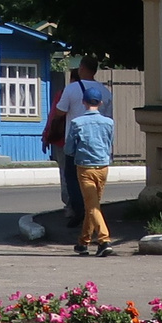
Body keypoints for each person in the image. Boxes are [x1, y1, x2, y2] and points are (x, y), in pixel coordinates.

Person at [42, 60, 99, 231]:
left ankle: (75, 209)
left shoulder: (67, 92)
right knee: (91, 178)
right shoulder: (103, 92)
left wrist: (46, 136)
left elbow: (56, 114)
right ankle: (91, 211)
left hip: (68, 142)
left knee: (70, 177)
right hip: (96, 145)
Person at [66, 80, 118, 256]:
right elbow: (110, 143)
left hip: (85, 167)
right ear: (100, 103)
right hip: (103, 166)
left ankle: (104, 240)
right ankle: (83, 242)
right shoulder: (109, 123)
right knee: (92, 204)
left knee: (92, 206)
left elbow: (69, 148)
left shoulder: (77, 123)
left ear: (84, 102)